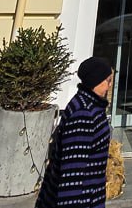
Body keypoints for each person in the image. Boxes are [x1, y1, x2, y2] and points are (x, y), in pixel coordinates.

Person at [36, 56, 114, 208]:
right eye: (108, 81)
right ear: (96, 81)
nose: (110, 85)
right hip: (83, 200)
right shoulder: (84, 114)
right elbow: (72, 173)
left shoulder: (88, 105)